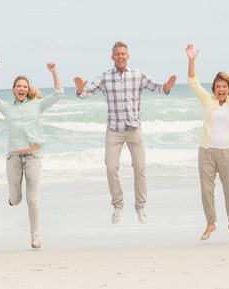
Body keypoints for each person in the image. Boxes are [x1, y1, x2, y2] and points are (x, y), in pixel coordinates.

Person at [74, 41, 177, 224]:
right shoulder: (105, 77)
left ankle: (140, 207)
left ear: (128, 56)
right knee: (111, 168)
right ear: (112, 57)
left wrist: (167, 86)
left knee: (140, 167)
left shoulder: (138, 74)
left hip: (134, 128)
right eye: (117, 54)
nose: (120, 57)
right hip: (114, 130)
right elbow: (86, 93)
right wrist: (80, 88)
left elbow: (157, 87)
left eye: (123, 54)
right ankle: (118, 205)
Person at [0, 58, 63, 250]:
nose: (21, 89)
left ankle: (35, 237)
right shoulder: (7, 108)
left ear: (27, 90)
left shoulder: (37, 104)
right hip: (13, 158)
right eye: (18, 86)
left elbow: (58, 93)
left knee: (31, 198)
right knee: (16, 199)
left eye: (24, 86)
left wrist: (53, 72)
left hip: (34, 157)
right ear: (13, 89)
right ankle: (12, 199)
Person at [185, 44, 229, 243]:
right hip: (207, 151)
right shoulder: (208, 101)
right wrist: (191, 60)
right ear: (214, 89)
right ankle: (211, 223)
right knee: (207, 190)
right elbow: (193, 82)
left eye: (224, 87)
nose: (221, 90)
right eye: (218, 87)